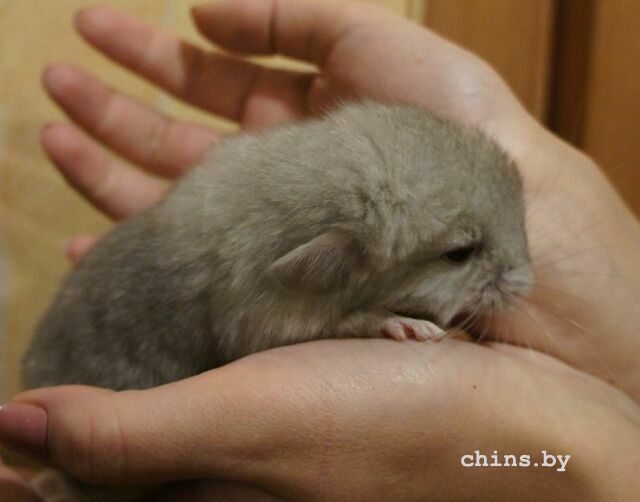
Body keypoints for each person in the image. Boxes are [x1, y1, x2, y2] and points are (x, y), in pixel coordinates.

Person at [1, 0, 639, 499]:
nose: (519, 275)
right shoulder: (284, 261)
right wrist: (360, 322)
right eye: (460, 254)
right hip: (109, 397)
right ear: (331, 264)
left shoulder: (268, 175)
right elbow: (260, 324)